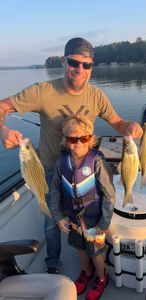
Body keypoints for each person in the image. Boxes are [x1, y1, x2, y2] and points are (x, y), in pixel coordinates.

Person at [0, 37, 143, 274]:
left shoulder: (96, 96)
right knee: (51, 223)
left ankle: (96, 264)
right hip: (50, 169)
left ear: (91, 67)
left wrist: (131, 127)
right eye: (74, 63)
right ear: (64, 61)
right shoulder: (42, 91)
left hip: (85, 172)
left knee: (90, 215)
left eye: (86, 65)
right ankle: (53, 265)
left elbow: (117, 122)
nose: (80, 70)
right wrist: (3, 130)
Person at [49, 114, 115, 300]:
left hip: (94, 219)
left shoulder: (97, 161)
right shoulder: (61, 162)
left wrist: (104, 223)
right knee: (80, 249)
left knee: (96, 251)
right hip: (72, 218)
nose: (78, 143)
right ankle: (86, 272)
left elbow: (109, 194)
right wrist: (59, 216)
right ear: (66, 141)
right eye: (72, 139)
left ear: (90, 139)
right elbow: (55, 190)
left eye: (83, 138)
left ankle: (101, 277)